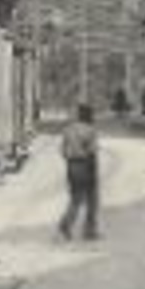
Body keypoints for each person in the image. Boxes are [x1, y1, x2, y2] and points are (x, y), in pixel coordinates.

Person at [58, 103, 101, 240]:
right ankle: (89, 231)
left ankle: (66, 223)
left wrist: (70, 160)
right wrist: (93, 173)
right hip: (86, 165)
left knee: (75, 198)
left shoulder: (67, 130)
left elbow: (63, 151)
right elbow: (92, 152)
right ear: (89, 116)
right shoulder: (90, 130)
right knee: (92, 200)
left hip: (72, 166)